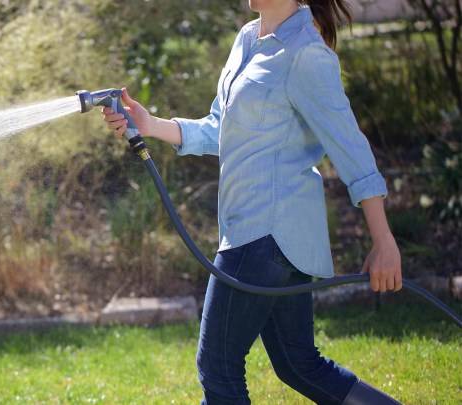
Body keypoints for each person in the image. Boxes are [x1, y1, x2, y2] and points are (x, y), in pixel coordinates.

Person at [100, 1, 404, 404]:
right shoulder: (247, 38)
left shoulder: (305, 53)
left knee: (218, 367)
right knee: (299, 365)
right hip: (262, 235)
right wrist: (150, 124)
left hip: (264, 234)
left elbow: (352, 150)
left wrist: (384, 241)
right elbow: (221, 129)